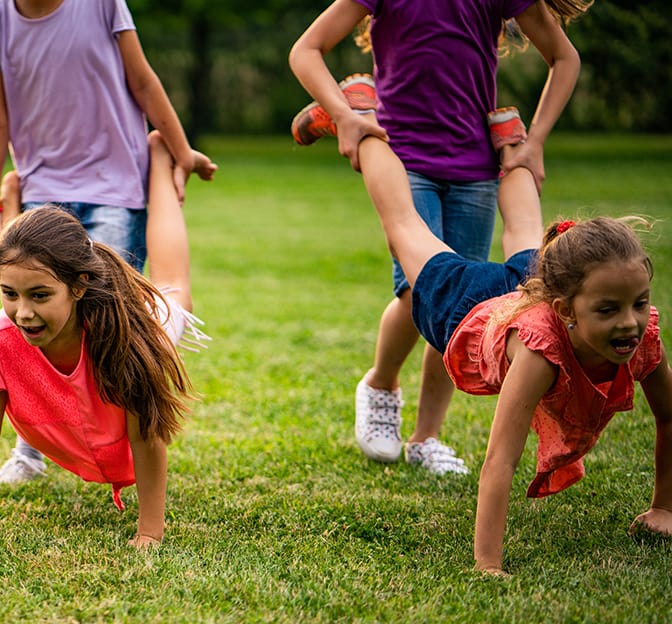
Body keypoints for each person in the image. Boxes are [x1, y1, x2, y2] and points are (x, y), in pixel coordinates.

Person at [354, 129, 672, 575]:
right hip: (469, 306)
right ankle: (361, 123)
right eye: (609, 309)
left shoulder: (638, 335)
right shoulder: (541, 352)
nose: (629, 323)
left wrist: (665, 508)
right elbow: (501, 458)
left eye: (639, 303)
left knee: (526, 230)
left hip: (527, 290)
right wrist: (488, 563)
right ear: (568, 310)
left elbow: (669, 416)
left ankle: (509, 137)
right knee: (405, 225)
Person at [288, 0, 586, 474]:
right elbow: (305, 50)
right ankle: (381, 386)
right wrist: (346, 118)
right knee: (415, 290)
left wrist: (535, 141)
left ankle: (426, 437)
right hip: (400, 155)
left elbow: (564, 58)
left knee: (460, 305)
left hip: (475, 168)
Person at [0, 0, 209, 484]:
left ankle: (129, 434)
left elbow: (143, 80)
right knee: (37, 315)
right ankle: (31, 452)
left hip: (113, 188)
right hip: (43, 186)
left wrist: (181, 153)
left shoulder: (102, 2)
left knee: (104, 317)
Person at [0, 132, 208, 546]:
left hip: (143, 324)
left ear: (79, 286)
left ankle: (159, 158)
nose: (23, 313)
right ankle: (13, 213)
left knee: (174, 285)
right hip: (44, 267)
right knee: (23, 259)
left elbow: (145, 438)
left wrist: (149, 533)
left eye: (40, 296)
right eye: (7, 293)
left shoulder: (132, 338)